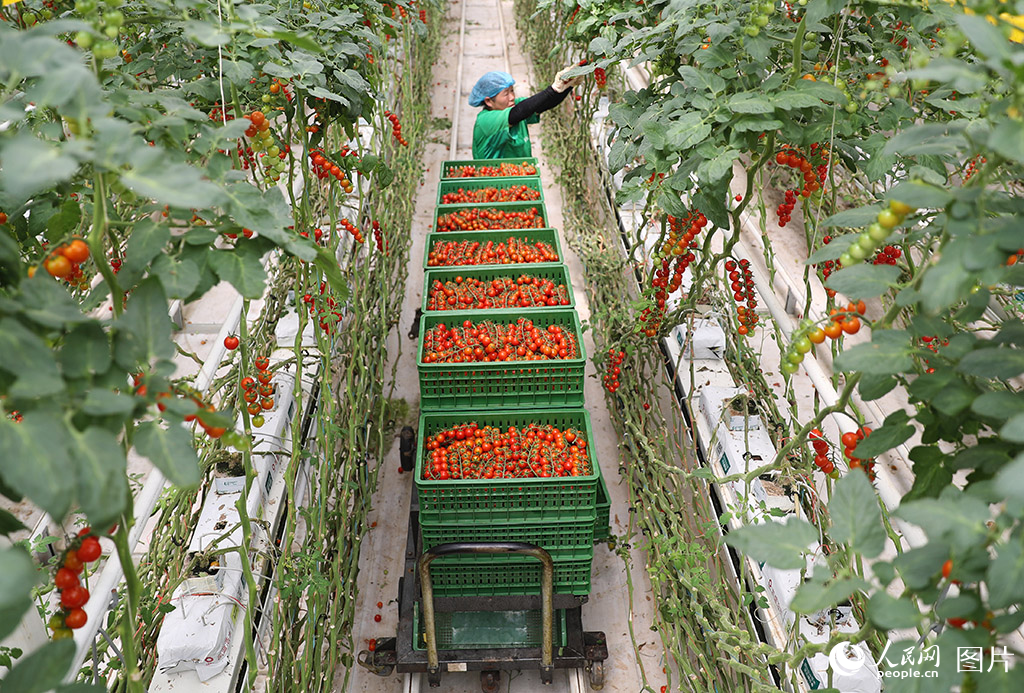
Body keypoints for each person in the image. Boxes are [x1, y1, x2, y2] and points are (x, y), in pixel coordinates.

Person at [469, 67, 583, 160]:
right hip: (493, 181)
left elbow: (542, 104)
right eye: (506, 94)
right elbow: (519, 113)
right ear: (488, 101)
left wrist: (567, 86)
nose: (512, 97)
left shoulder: (512, 106)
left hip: (520, 176)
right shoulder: (485, 120)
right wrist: (552, 89)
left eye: (512, 90)